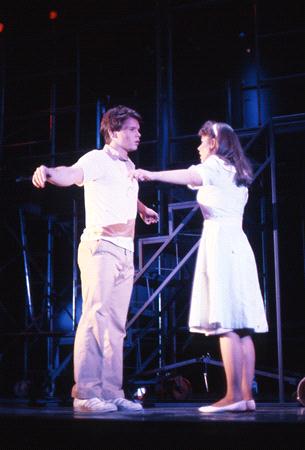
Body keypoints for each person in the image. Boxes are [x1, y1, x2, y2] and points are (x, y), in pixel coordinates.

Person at [132, 120, 268, 413]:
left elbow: (188, 175)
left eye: (203, 141)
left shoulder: (217, 165)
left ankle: (233, 396)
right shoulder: (236, 170)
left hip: (221, 241)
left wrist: (150, 173)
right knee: (242, 327)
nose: (198, 147)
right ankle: (246, 395)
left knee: (227, 322)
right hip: (237, 242)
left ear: (215, 144)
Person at [32, 105, 159, 413]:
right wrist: (49, 172)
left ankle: (112, 390)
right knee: (94, 318)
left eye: (138, 129)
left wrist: (142, 208)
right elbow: (73, 173)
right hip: (100, 247)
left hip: (125, 251)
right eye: (132, 129)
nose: (138, 134)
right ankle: (86, 392)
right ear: (114, 131)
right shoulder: (96, 158)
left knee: (116, 325)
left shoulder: (127, 166)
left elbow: (122, 191)